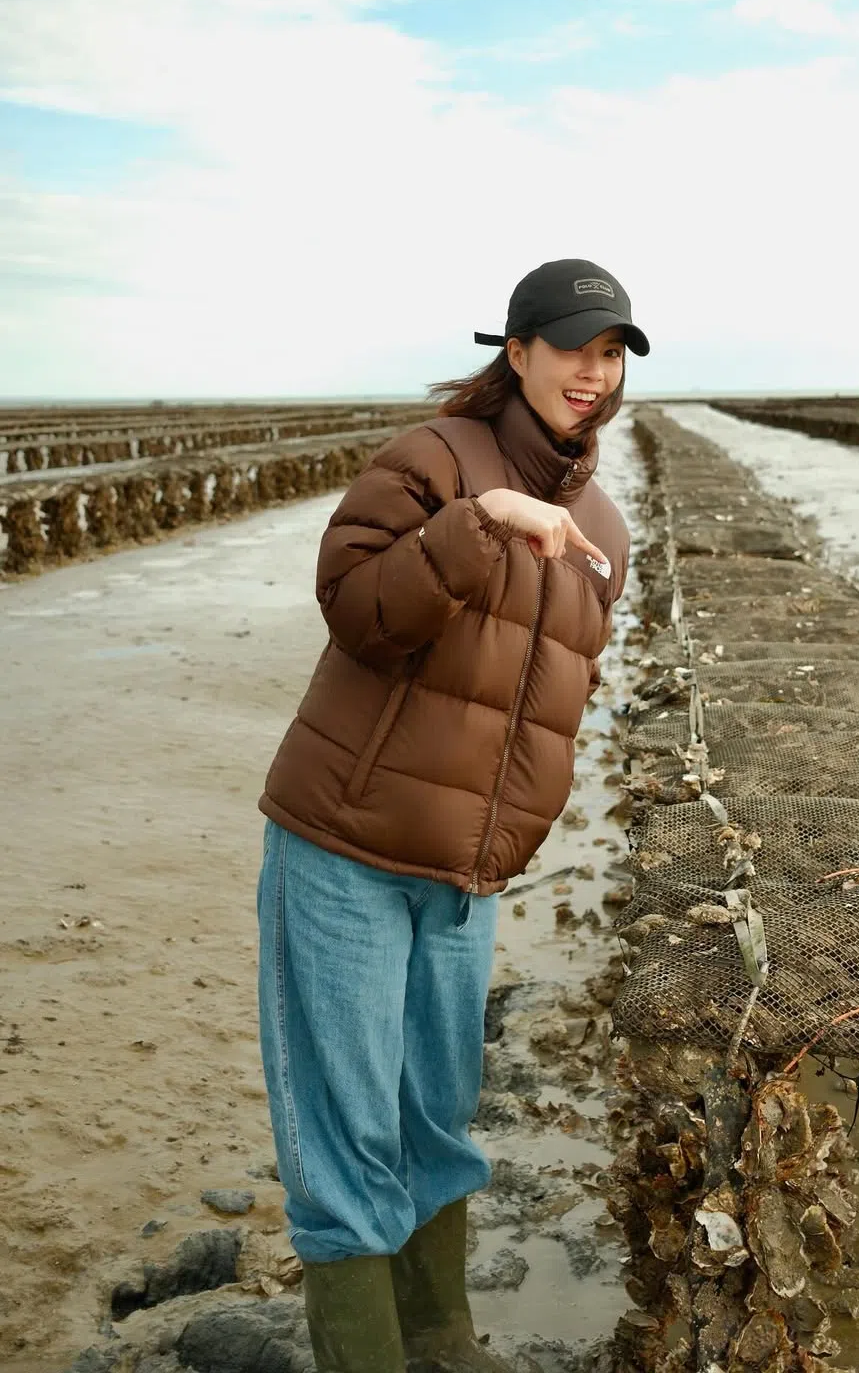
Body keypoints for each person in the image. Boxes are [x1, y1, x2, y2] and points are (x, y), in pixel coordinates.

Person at [255, 258, 649, 1372]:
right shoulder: (431, 461)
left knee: (437, 1120)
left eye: (613, 351)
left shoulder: (607, 527)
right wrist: (482, 523)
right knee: (345, 1139)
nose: (594, 370)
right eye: (574, 344)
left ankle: (443, 1339)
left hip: (466, 877)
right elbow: (355, 610)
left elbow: (550, 695)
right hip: (345, 845)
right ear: (515, 351)